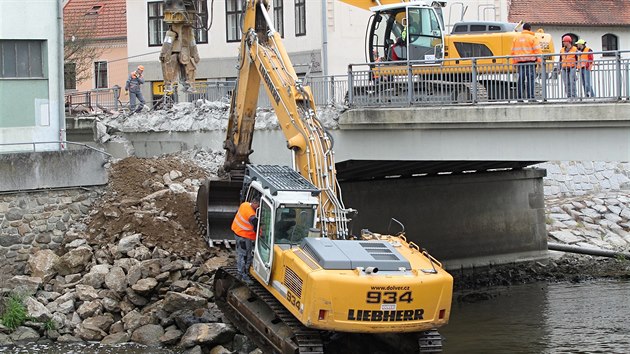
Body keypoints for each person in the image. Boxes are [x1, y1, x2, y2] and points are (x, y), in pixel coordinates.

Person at [510, 23, 542, 102]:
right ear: (530, 29)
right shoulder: (533, 38)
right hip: (530, 63)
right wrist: (539, 62)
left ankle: (520, 98)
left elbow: (512, 52)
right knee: (530, 80)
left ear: (523, 29)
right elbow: (537, 50)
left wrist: (513, 63)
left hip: (520, 63)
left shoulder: (516, 38)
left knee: (521, 80)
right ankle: (531, 97)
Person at [231, 197, 260, 284]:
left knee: (245, 254)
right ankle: (242, 275)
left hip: (238, 232)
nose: (259, 207)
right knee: (244, 255)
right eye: (258, 205)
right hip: (243, 236)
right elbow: (255, 223)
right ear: (254, 203)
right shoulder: (251, 215)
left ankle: (243, 271)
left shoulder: (245, 204)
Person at [559, 36, 578, 101]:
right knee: (566, 83)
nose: (563, 43)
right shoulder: (562, 50)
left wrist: (577, 67)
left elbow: (578, 59)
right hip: (564, 68)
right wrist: (559, 68)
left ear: (568, 42)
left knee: (572, 82)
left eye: (564, 41)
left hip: (572, 67)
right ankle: (569, 96)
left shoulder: (575, 49)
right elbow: (560, 59)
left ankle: (574, 96)